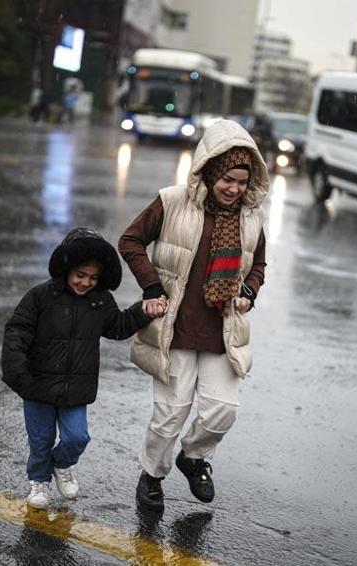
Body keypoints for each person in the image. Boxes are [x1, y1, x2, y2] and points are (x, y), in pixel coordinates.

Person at [119, 119, 269, 511]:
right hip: (177, 327)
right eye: (227, 180)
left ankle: (194, 457)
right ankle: (152, 476)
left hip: (223, 330)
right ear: (210, 172)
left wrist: (249, 292)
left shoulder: (251, 217)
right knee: (169, 414)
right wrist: (153, 287)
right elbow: (130, 241)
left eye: (242, 182)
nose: (234, 189)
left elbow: (258, 265)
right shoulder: (171, 202)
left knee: (223, 411)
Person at [2, 227, 166, 509]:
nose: (86, 282)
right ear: (67, 268)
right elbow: (18, 330)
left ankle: (61, 464)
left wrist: (143, 310)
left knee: (77, 437)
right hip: (37, 384)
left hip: (76, 388)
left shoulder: (99, 301)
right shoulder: (40, 296)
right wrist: (17, 368)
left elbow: (117, 327)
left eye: (93, 277)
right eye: (80, 275)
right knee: (40, 440)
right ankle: (39, 481)